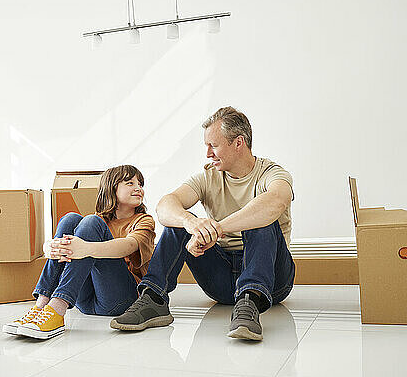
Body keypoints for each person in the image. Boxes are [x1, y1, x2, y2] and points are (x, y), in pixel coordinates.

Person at [110, 106, 295, 341]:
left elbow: (276, 201)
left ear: (238, 143)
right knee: (179, 221)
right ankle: (153, 299)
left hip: (271, 281)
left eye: (213, 145)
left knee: (260, 218)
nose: (208, 153)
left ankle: (249, 302)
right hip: (222, 279)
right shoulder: (208, 176)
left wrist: (217, 228)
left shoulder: (273, 174)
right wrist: (192, 224)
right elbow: (166, 205)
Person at [3, 165, 156, 340]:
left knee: (91, 222)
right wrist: (49, 247)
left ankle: (57, 308)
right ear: (111, 188)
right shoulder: (99, 221)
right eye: (130, 183)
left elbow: (129, 245)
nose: (138, 188)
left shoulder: (144, 220)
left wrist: (86, 248)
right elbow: (68, 245)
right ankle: (41, 306)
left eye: (140, 184)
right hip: (84, 301)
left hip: (120, 300)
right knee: (70, 219)